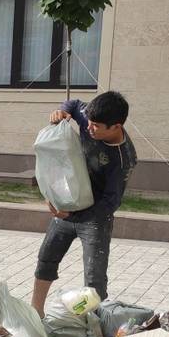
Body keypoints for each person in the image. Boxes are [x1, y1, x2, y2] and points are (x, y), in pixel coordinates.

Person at [31, 91, 137, 317]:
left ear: (116, 127)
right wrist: (62, 111)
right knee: (46, 258)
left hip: (95, 218)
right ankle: (36, 312)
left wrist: (73, 216)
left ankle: (91, 322)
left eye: (96, 126)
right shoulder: (89, 115)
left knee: (94, 279)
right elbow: (73, 104)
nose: (89, 128)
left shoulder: (123, 159)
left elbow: (110, 203)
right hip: (68, 204)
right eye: (88, 121)